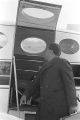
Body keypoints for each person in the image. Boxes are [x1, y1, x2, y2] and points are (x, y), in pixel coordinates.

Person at [20, 43, 77, 120]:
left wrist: (73, 105)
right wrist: (26, 94)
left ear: (51, 51)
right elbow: (36, 83)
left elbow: (70, 85)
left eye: (46, 50)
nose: (45, 53)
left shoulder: (62, 63)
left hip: (57, 108)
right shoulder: (45, 66)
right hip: (44, 106)